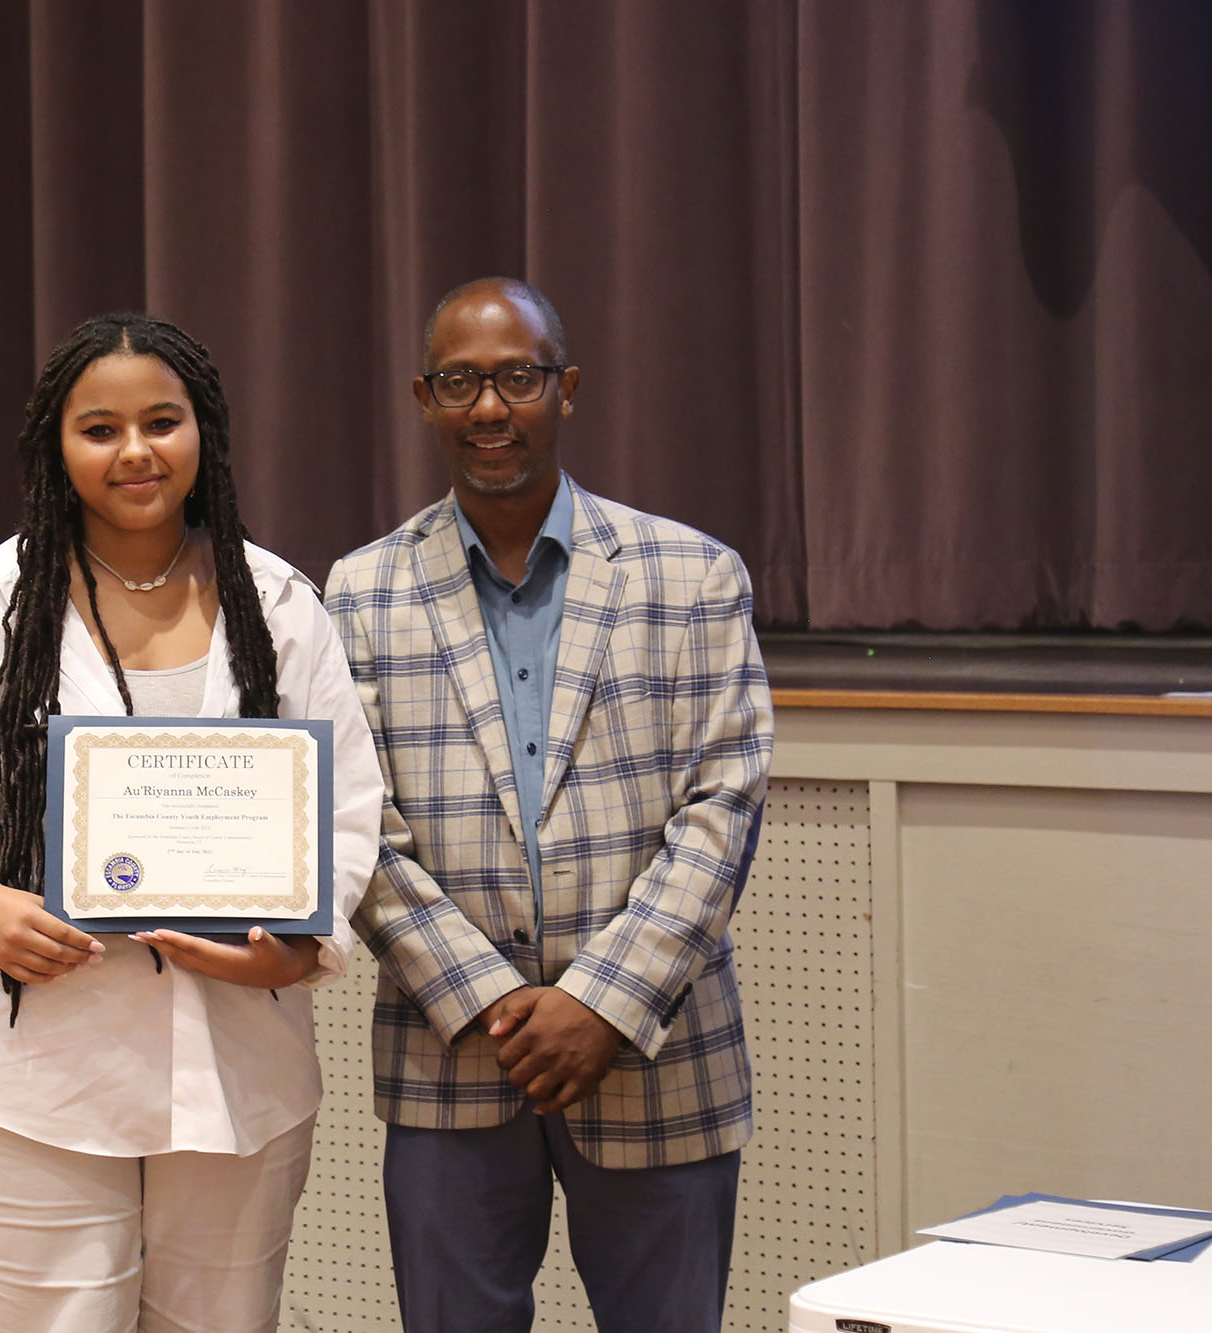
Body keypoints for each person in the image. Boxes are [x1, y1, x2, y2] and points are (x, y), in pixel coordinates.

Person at [0, 312, 383, 1332]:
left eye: (161, 422)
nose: (135, 452)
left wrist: (297, 948)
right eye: (99, 428)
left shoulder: (278, 606)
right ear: (56, 448)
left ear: (204, 433)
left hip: (239, 1065)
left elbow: (346, 807)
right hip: (34, 1072)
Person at [324, 277, 774, 1333]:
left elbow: (723, 809)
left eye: (517, 378)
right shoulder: (356, 592)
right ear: (423, 398)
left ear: (564, 389)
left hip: (655, 1054)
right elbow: (351, 824)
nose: (490, 407)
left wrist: (599, 1004)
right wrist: (487, 998)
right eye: (460, 382)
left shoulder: (692, 574)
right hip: (450, 1060)